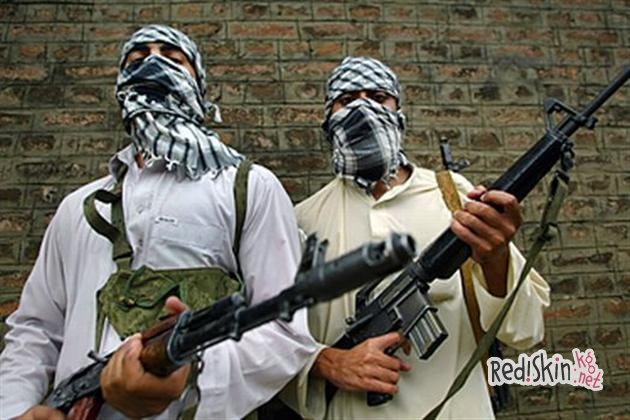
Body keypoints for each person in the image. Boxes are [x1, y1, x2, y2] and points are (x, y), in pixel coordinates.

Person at [0, 24, 317, 419]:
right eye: (137, 59)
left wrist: (194, 370)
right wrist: (15, 410)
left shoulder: (249, 187)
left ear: (199, 86)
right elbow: (36, 330)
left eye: (172, 58)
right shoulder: (77, 208)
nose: (152, 65)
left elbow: (284, 332)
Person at [280, 56, 551, 419]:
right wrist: (327, 362)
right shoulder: (302, 221)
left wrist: (495, 257)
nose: (363, 109)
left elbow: (526, 330)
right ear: (328, 119)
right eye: (347, 100)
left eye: (378, 98)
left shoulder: (455, 196)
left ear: (399, 113)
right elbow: (267, 344)